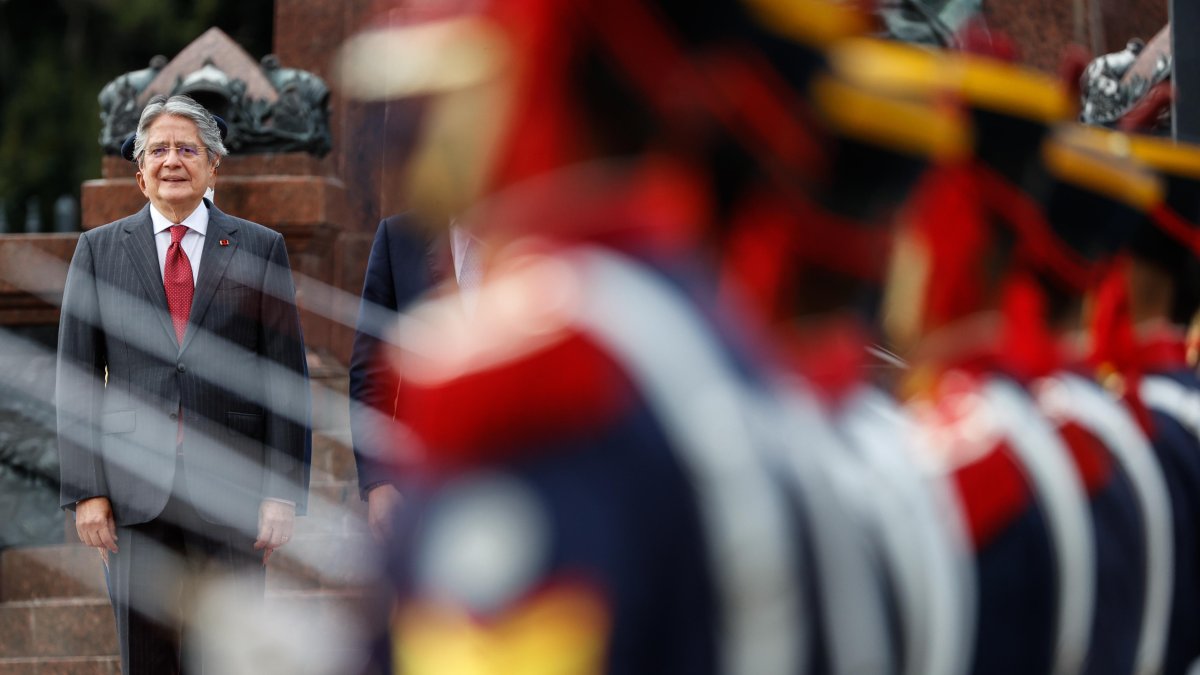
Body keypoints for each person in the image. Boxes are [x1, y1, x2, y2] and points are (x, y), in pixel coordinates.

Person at [56, 93, 311, 675]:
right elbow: (74, 378)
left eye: (187, 149)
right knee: (148, 658)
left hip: (232, 493)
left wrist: (280, 492)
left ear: (213, 165)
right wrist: (86, 492)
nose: (172, 160)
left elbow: (285, 375)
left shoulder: (258, 246)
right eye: (159, 150)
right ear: (139, 171)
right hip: (132, 495)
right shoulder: (98, 250)